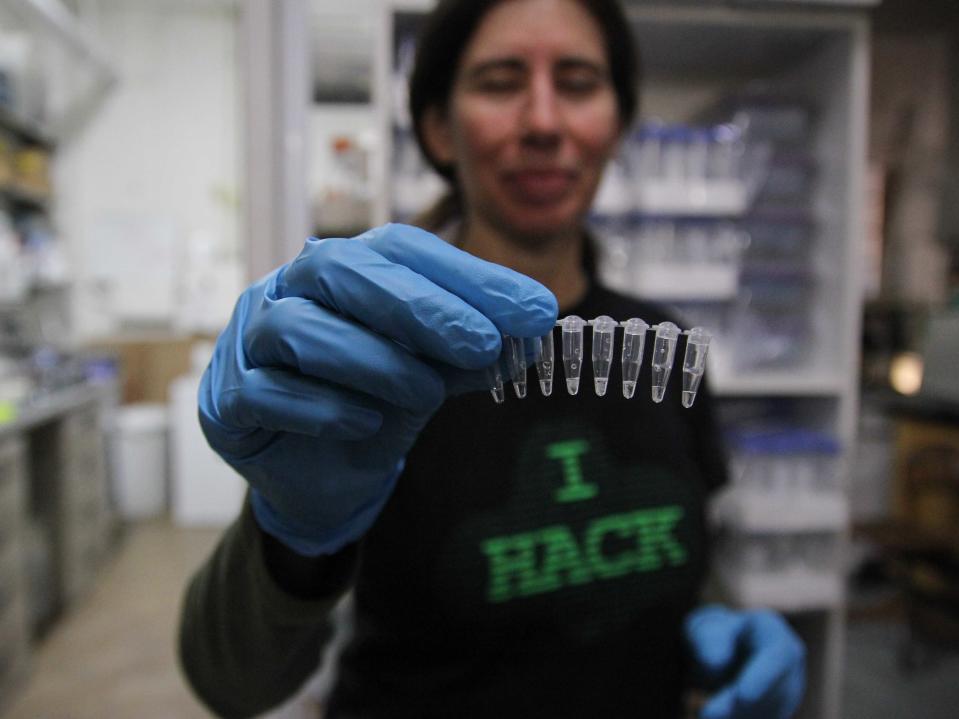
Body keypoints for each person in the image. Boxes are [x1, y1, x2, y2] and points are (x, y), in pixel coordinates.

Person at [178, 1, 806, 717]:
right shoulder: (376, 359)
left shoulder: (656, 349)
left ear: (616, 125)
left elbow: (683, 563)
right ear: (440, 129)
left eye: (577, 82)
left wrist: (713, 625)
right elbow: (228, 683)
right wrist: (290, 536)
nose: (543, 122)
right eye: (500, 81)